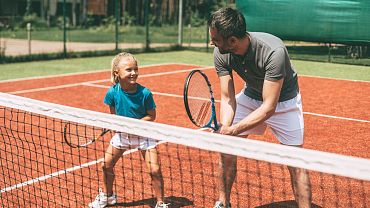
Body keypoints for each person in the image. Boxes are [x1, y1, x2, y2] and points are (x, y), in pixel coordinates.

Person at [208, 7, 312, 208]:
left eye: (216, 39)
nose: (212, 42)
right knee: (226, 151)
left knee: (296, 163)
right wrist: (226, 127)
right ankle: (223, 202)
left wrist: (233, 130)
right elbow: (227, 96)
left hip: (284, 102)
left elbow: (269, 107)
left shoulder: (274, 52)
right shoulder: (220, 53)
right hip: (251, 96)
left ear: (232, 41)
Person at [89, 52, 169, 208]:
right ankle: (108, 196)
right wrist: (118, 125)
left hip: (143, 135)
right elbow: (114, 115)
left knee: (155, 169)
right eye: (129, 70)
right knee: (106, 165)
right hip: (123, 136)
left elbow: (151, 116)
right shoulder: (112, 93)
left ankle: (160, 203)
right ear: (117, 73)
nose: (133, 73)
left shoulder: (145, 93)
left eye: (136, 69)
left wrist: (135, 124)